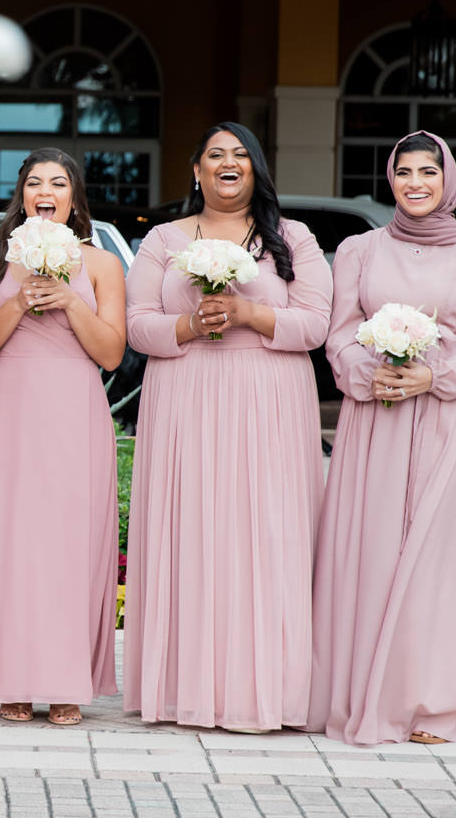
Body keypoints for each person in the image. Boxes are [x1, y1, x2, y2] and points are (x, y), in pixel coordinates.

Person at [308, 130, 456, 747]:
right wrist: (371, 375)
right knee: (366, 555)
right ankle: (352, 696)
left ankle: (426, 705)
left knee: (428, 559)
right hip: (373, 418)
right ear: (389, 179)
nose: (415, 183)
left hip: (442, 418)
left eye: (429, 172)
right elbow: (337, 334)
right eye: (404, 173)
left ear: (447, 179)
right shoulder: (358, 250)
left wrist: (434, 375)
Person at [122, 123, 331, 732]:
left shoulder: (292, 238)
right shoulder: (164, 239)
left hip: (267, 399)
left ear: (258, 170)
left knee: (265, 535)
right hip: (186, 398)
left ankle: (268, 689)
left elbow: (315, 323)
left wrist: (248, 313)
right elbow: (138, 325)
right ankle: (188, 688)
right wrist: (190, 327)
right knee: (191, 532)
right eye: (215, 155)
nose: (227, 163)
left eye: (240, 155)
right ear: (197, 171)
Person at [0, 149, 125, 725]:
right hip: (13, 405)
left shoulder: (101, 265)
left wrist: (70, 299)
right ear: (22, 196)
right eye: (35, 183)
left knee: (69, 543)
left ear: (75, 199)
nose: (45, 191)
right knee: (13, 542)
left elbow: (110, 353)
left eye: (58, 183)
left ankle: (64, 684)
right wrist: (25, 295)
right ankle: (11, 677)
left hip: (75, 407)